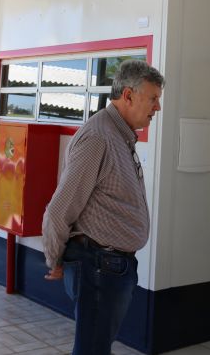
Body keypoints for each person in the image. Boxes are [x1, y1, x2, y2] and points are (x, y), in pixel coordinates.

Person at [41, 59, 164, 355]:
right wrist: (54, 258)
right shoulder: (99, 137)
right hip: (98, 266)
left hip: (110, 266)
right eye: (153, 99)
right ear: (128, 95)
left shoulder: (118, 135)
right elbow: (60, 208)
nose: (157, 107)